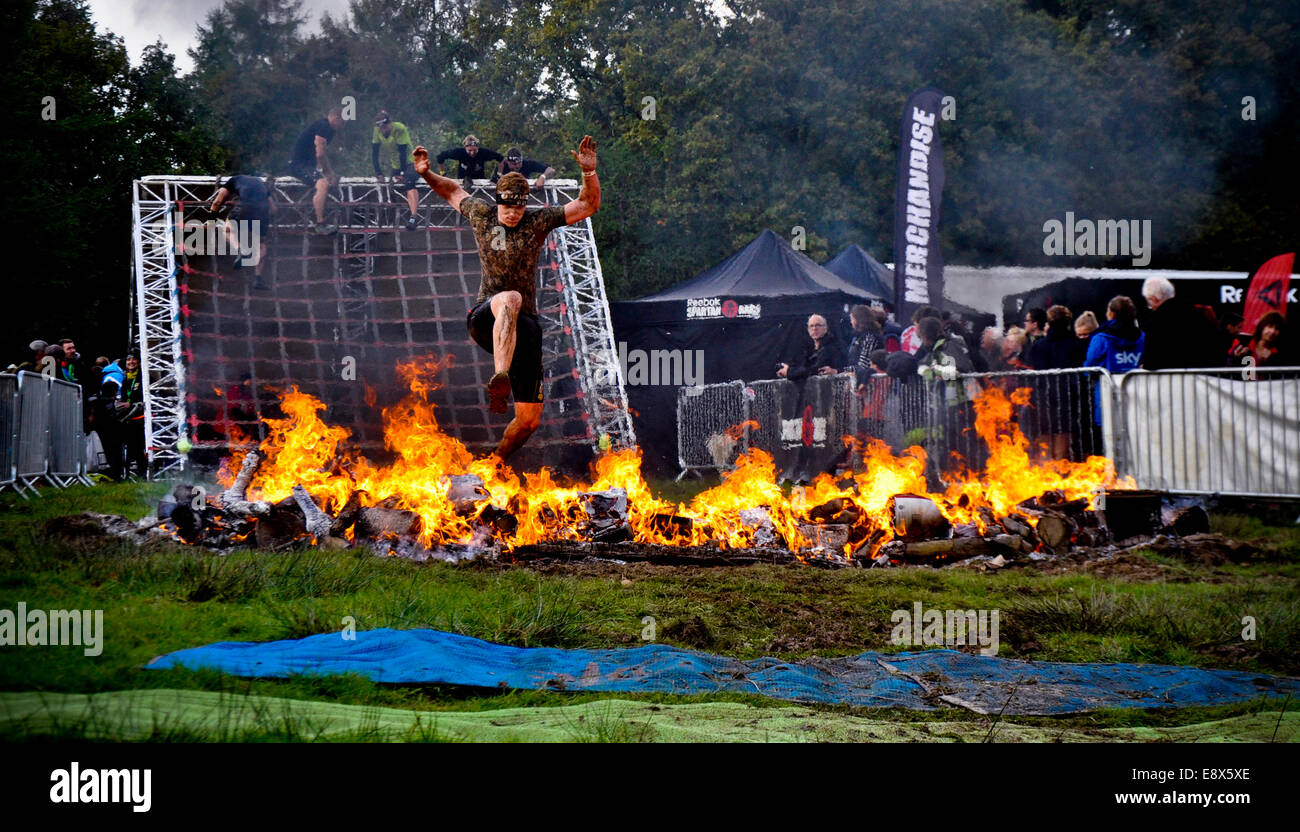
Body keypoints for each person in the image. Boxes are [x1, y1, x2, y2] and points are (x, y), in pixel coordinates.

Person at [412, 135, 601, 461]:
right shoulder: (482, 214)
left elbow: (588, 205)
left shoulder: (537, 220)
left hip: (526, 330)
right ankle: (500, 376)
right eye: (507, 207)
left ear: (525, 204)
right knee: (510, 297)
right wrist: (426, 173)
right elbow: (452, 190)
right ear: (497, 201)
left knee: (529, 420)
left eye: (518, 207)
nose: (513, 214)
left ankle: (495, 463)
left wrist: (588, 173)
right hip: (486, 316)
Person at [1084, 296, 1145, 426]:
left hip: (1108, 392)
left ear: (1112, 314)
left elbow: (1090, 364)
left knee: (1109, 433)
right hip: (1137, 392)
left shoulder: (1101, 338)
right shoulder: (1142, 336)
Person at [1140, 276, 1218, 370]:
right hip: (1200, 375)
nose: (1150, 306)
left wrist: (1145, 366)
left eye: (1149, 302)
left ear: (1154, 299)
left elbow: (1152, 358)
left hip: (1171, 379)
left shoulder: (1157, 320)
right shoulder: (1195, 311)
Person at [209, 175, 273, 288]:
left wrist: (211, 220)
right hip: (263, 211)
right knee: (260, 244)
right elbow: (273, 208)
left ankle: (241, 250)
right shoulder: (262, 184)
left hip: (245, 207)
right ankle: (258, 278)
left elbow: (217, 202)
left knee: (227, 230)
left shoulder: (234, 180)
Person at [288, 108, 344, 234]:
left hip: (307, 166)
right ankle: (320, 224)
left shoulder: (328, 129)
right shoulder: (324, 127)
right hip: (299, 165)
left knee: (324, 181)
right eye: (343, 123)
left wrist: (325, 172)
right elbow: (320, 154)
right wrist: (329, 173)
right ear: (336, 118)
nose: (342, 126)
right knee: (322, 184)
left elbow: (318, 155)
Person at [371, 111, 422, 230]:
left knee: (409, 182)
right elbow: (374, 153)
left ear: (390, 124)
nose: (383, 130)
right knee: (390, 188)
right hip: (396, 165)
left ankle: (414, 217)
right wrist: (378, 172)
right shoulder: (376, 131)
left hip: (411, 162)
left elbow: (402, 152)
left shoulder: (399, 129)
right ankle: (389, 220)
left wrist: (402, 174)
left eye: (385, 127)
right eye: (381, 128)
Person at [777, 314, 846, 381]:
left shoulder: (831, 347)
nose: (814, 328)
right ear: (808, 330)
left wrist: (789, 372)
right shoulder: (809, 350)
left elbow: (814, 370)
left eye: (818, 325)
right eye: (811, 326)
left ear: (826, 328)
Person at [436, 135, 504, 189]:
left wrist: (498, 176)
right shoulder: (459, 152)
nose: (472, 153)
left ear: (478, 147)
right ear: (465, 148)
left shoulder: (484, 152)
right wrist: (443, 174)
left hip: (480, 183)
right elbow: (440, 157)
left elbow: (501, 159)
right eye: (469, 150)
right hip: (462, 182)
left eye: (474, 150)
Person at [118, 353, 146, 479]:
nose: (131, 362)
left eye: (134, 359)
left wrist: (131, 404)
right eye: (128, 359)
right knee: (128, 447)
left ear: (139, 362)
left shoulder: (144, 376)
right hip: (127, 419)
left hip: (140, 418)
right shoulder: (123, 378)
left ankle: (142, 474)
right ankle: (126, 474)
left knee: (139, 447)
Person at [843, 305, 883, 383]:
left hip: (869, 383)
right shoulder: (857, 337)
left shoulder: (870, 337)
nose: (851, 322)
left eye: (852, 319)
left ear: (857, 319)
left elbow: (863, 365)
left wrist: (840, 370)